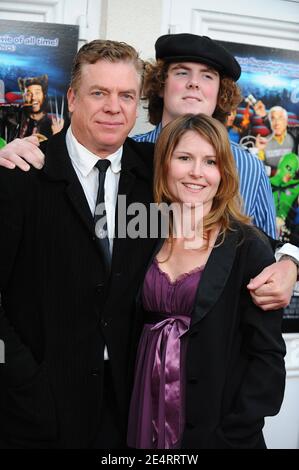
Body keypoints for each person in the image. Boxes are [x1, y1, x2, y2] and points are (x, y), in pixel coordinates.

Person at [0, 34, 297, 311]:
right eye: (182, 72)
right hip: (135, 350)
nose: (194, 84)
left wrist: (291, 264)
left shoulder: (250, 167)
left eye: (207, 76)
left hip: (218, 347)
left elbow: (266, 256)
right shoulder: (134, 155)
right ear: (160, 85)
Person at [0, 39, 157, 449]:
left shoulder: (157, 177)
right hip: (35, 411)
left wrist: (289, 258)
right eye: (99, 92)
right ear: (72, 98)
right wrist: (22, 380)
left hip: (129, 411)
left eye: (126, 95)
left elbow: (222, 223)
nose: (113, 107)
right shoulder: (20, 174)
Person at [127, 114, 286, 449]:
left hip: (217, 432)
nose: (197, 172)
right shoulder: (143, 234)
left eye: (210, 161)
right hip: (143, 415)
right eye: (184, 158)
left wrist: (232, 435)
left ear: (223, 173)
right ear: (165, 164)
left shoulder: (248, 247)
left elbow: (267, 359)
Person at [256, 106, 297, 173]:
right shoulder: (263, 143)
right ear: (270, 123)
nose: (277, 123)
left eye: (280, 118)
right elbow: (259, 169)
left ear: (286, 121)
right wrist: (258, 150)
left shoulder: (294, 137)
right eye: (273, 119)